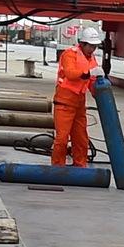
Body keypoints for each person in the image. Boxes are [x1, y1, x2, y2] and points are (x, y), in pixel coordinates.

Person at [52, 22, 103, 168]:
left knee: (81, 139)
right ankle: (57, 169)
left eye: (95, 46)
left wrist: (100, 87)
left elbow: (91, 81)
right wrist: (88, 74)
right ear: (83, 43)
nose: (93, 49)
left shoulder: (91, 58)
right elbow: (70, 73)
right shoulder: (70, 54)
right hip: (64, 103)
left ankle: (80, 166)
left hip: (79, 104)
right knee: (62, 139)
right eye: (91, 46)